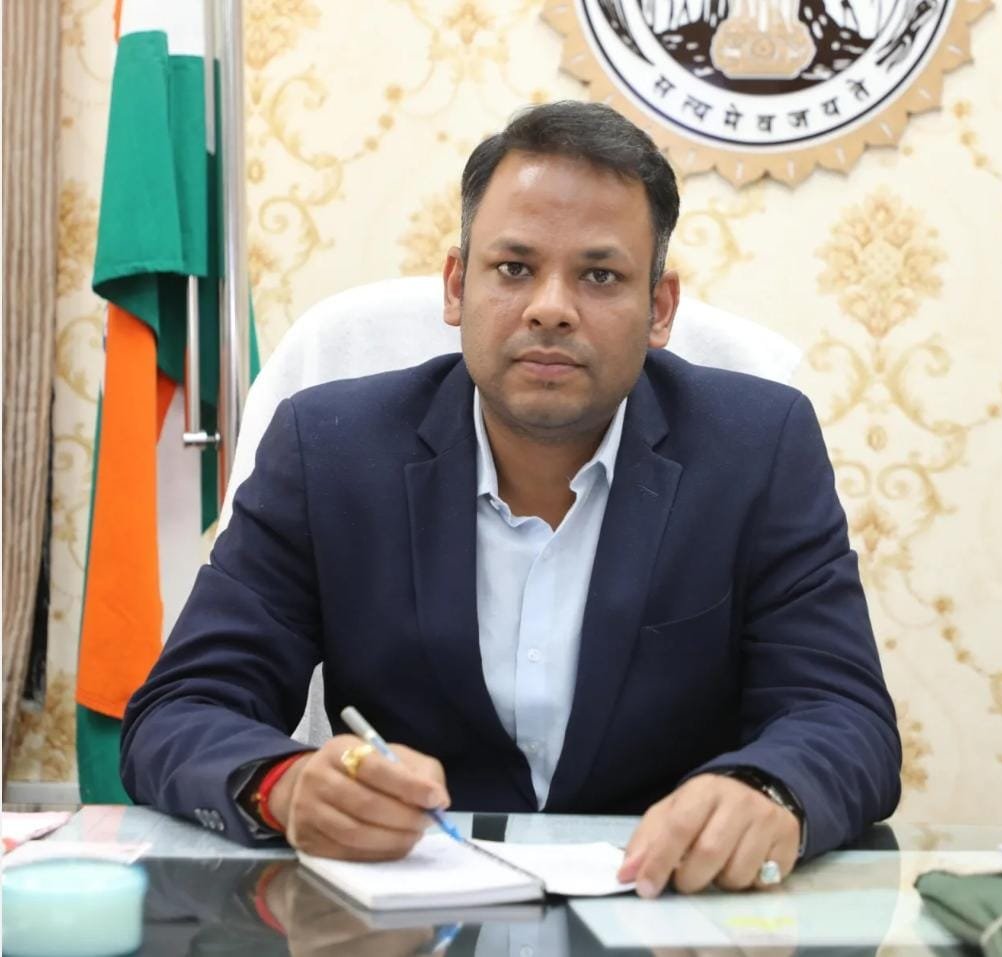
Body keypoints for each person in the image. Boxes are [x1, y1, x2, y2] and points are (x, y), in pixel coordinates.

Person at [121, 100, 901, 897]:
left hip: (668, 907)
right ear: (456, 287)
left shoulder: (756, 448)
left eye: (599, 275)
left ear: (659, 308)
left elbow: (843, 716)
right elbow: (181, 708)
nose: (549, 307)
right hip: (409, 913)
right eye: (514, 268)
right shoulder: (330, 450)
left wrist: (768, 792)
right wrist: (282, 785)